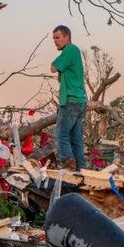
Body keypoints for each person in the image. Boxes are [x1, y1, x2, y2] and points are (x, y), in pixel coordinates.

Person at [50, 24, 87, 170]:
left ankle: (67, 164)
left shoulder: (70, 49)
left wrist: (55, 62)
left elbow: (53, 68)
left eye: (58, 37)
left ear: (67, 37)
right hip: (80, 101)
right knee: (75, 138)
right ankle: (81, 168)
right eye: (54, 38)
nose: (55, 41)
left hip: (71, 100)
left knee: (60, 134)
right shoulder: (74, 51)